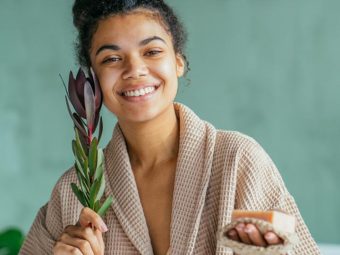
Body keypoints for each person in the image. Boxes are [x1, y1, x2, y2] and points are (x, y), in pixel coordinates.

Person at [20, 0, 320, 254]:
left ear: (178, 62)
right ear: (94, 81)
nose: (135, 70)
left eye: (151, 52)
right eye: (112, 58)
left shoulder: (237, 162)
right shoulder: (71, 196)